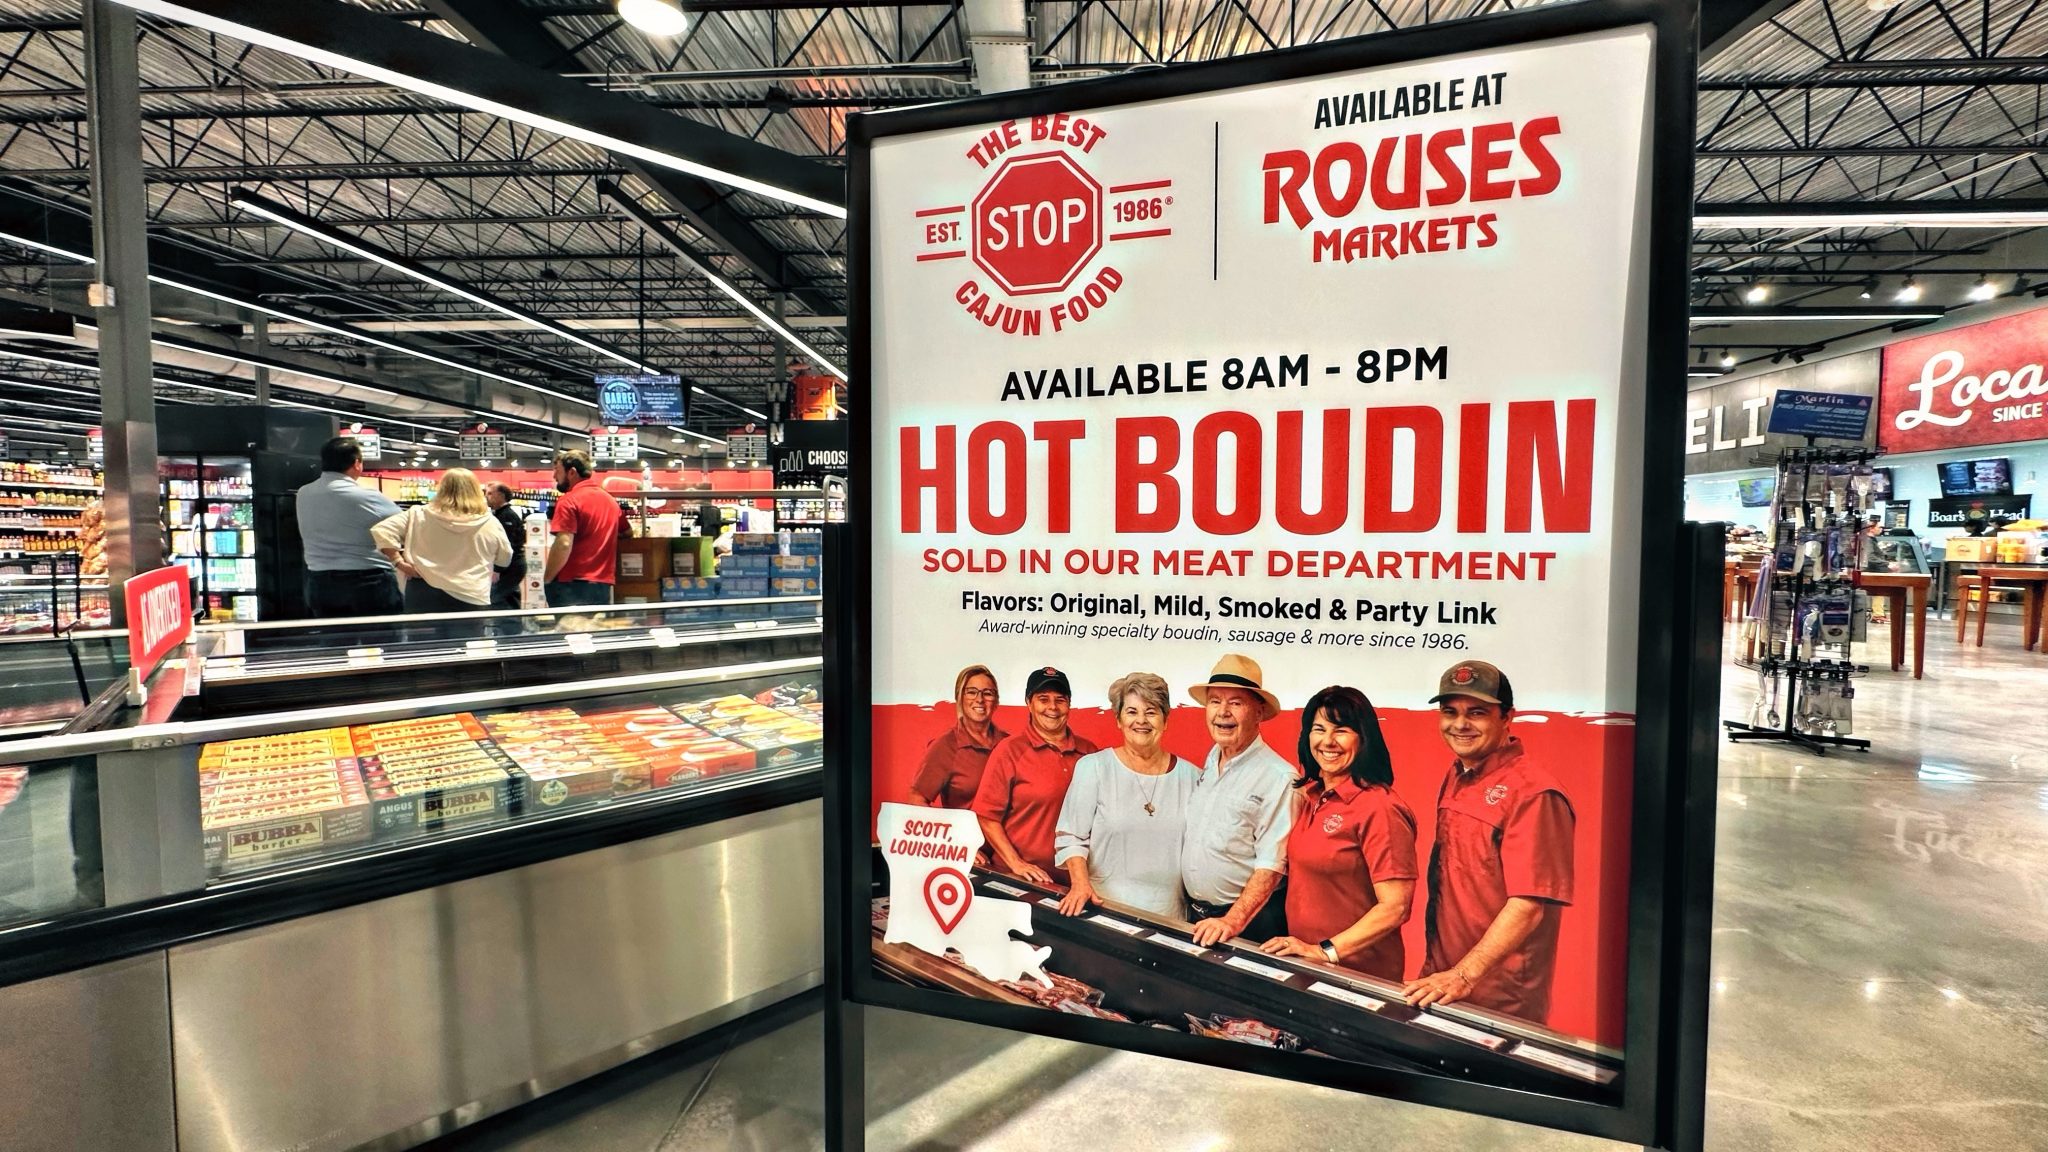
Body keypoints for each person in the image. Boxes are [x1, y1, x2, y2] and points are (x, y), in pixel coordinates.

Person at [1404, 661, 1576, 1024]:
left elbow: (1528, 906)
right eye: (1449, 712)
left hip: (1500, 1002)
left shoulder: (1535, 794)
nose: (1460, 724)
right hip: (1442, 983)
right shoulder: (1457, 775)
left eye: (1477, 712)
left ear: (1507, 717)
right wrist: (1442, 971)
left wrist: (1464, 974)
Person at [1259, 686, 1418, 981]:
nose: (1328, 741)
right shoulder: (1313, 797)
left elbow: (1395, 907)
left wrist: (1325, 951)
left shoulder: (1379, 807)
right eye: (1319, 729)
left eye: (1341, 730)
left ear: (1363, 738)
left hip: (1357, 977)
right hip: (1309, 967)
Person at [1053, 672, 1198, 921]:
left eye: (1151, 711)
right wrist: (1079, 884)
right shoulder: (1094, 767)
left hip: (1170, 918)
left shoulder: (1193, 777)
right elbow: (1071, 837)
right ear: (1118, 720)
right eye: (1131, 712)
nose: (1141, 720)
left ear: (1166, 720)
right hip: (1103, 912)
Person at [1183, 654, 1298, 946]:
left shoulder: (1279, 777)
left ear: (1258, 713)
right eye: (1214, 701)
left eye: (1236, 703)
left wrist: (1232, 921)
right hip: (1199, 919)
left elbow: (1272, 865)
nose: (1223, 712)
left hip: (1247, 923)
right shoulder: (1212, 759)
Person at [971, 666, 1099, 884]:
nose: (1052, 707)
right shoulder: (1009, 750)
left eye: (1060, 699)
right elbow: (986, 816)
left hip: (1075, 884)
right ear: (1029, 703)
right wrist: (1016, 864)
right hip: (1020, 881)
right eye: (1043, 699)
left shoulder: (1090, 753)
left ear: (1069, 704)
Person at [369, 468, 511, 614]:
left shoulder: (419, 514)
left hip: (423, 590)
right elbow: (505, 558)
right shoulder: (489, 522)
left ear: (441, 488)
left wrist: (398, 562)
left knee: (425, 637)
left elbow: (382, 531)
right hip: (471, 594)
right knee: (468, 637)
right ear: (476, 491)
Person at [295, 435, 402, 617]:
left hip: (320, 582)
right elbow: (405, 523)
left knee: (334, 642)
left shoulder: (303, 493)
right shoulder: (366, 496)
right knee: (380, 641)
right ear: (357, 463)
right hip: (368, 582)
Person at [908, 665, 1006, 808]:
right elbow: (916, 798)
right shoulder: (946, 746)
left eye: (988, 693)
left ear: (996, 701)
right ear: (959, 697)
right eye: (972, 692)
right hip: (966, 830)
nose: (980, 699)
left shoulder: (1009, 743)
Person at [543, 449, 622, 607]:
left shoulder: (569, 501)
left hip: (571, 585)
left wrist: (547, 579)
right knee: (595, 630)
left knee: (570, 630)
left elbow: (564, 544)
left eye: (557, 471)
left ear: (571, 472)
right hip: (602, 585)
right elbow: (626, 532)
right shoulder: (610, 501)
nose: (554, 477)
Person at [485, 482, 528, 610]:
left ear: (501, 495)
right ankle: (514, 628)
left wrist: (498, 569)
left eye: (490, 493)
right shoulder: (500, 514)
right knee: (510, 598)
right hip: (511, 565)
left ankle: (508, 627)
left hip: (511, 566)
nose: (486, 496)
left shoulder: (506, 516)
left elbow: (508, 546)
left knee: (495, 598)